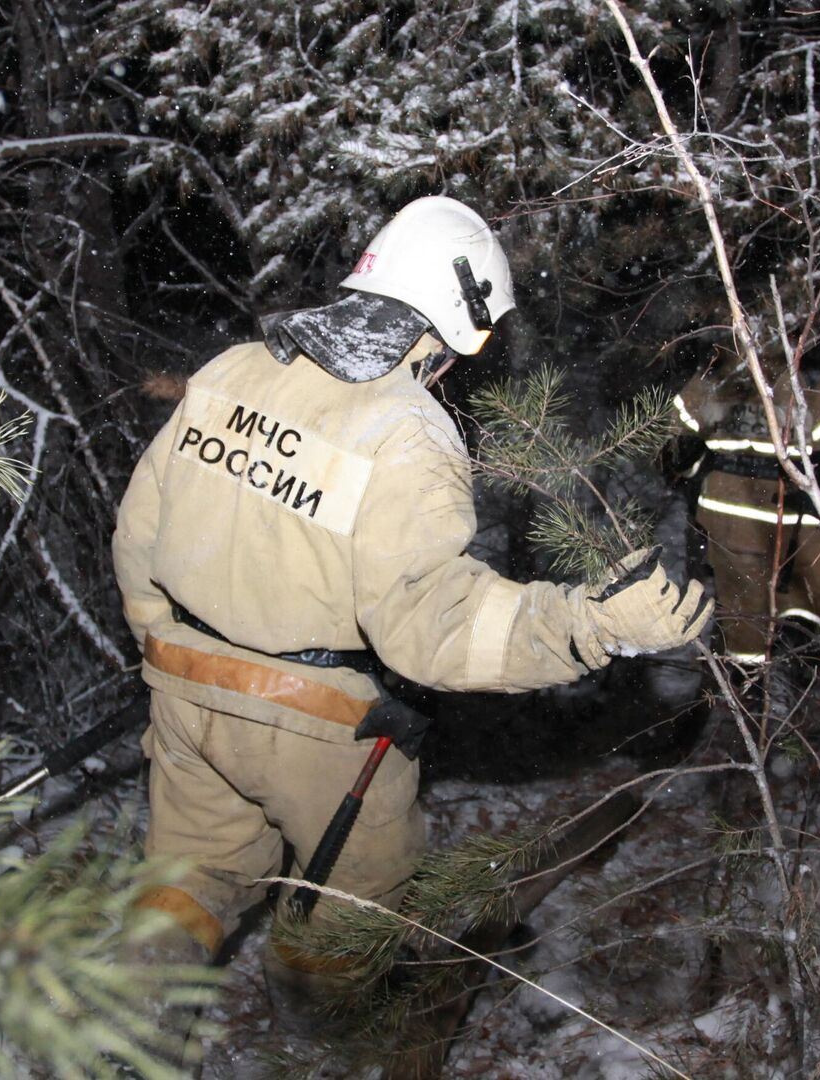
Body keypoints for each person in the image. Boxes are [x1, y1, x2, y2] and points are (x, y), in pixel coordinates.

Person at [110, 196, 709, 1049]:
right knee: (354, 901)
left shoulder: (234, 370)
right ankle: (325, 1040)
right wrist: (592, 625)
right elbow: (431, 627)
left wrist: (166, 651)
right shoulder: (407, 431)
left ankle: (125, 1027)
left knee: (193, 872)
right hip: (318, 726)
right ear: (452, 321)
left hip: (182, 689)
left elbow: (138, 535)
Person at [666, 355, 820, 682]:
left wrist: (710, 466)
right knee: (807, 614)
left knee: (743, 618)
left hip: (731, 521)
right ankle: (799, 688)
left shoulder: (712, 375)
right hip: (804, 529)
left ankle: (745, 694)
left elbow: (674, 455)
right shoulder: (817, 382)